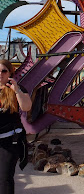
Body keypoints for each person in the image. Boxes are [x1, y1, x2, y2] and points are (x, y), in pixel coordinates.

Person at [0, 59, 32, 194]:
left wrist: (17, 90)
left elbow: (26, 107)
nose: (0, 74)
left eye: (3, 71)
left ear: (10, 73)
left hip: (9, 140)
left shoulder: (16, 89)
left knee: (4, 178)